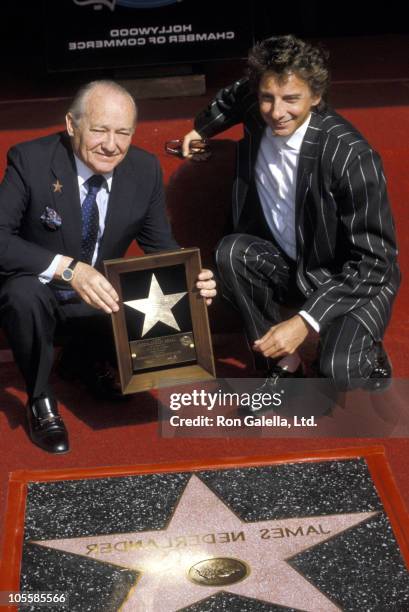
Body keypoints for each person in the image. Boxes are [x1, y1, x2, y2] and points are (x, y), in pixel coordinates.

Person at [0, 80, 216, 453]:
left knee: (145, 289)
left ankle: (81, 361)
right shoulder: (30, 161)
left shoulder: (144, 169)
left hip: (97, 298)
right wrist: (69, 269)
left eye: (123, 133)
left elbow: (161, 248)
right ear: (72, 125)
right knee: (22, 293)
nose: (111, 145)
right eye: (99, 130)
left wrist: (194, 278)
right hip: (41, 292)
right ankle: (40, 398)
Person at [183, 34, 400, 401]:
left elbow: (376, 262)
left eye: (291, 99)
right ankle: (285, 366)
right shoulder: (258, 106)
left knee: (339, 373)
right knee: (231, 251)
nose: (277, 112)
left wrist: (305, 321)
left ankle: (365, 346)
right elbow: (236, 96)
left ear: (316, 97)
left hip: (350, 276)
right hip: (292, 264)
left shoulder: (351, 156)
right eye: (267, 97)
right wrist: (202, 127)